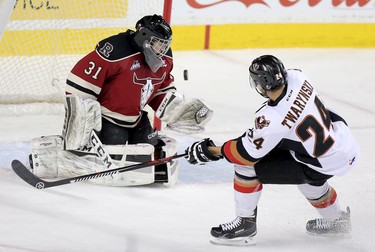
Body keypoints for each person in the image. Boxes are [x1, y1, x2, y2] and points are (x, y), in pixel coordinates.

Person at [185, 55, 360, 245]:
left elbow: (246, 155)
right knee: (308, 181)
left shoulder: (272, 118)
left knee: (246, 168)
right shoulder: (298, 77)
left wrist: (211, 151)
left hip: (321, 161)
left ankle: (245, 225)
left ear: (261, 85)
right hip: (344, 144)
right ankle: (337, 221)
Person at [29, 14, 213, 186]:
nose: (162, 50)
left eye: (165, 45)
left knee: (150, 151)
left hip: (137, 118)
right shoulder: (116, 50)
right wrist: (84, 118)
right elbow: (81, 81)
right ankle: (60, 158)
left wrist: (178, 110)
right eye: (157, 44)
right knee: (113, 151)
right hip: (108, 119)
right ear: (143, 36)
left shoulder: (165, 57)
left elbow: (159, 89)